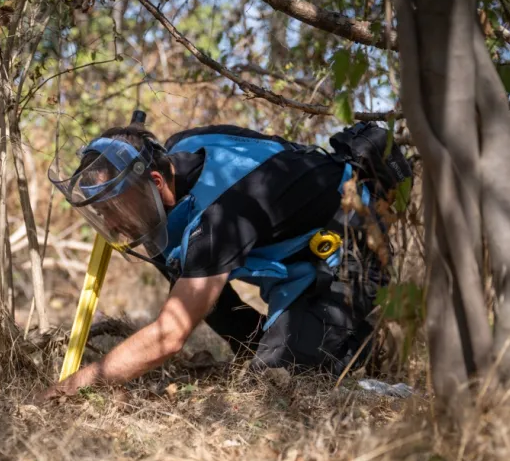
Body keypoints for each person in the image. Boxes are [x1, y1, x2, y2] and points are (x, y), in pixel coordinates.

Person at [44, 117, 411, 398]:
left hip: (352, 247)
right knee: (186, 276)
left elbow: (168, 337)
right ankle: (302, 344)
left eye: (120, 208)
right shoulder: (182, 149)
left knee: (274, 385)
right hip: (300, 250)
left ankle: (355, 364)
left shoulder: (221, 214)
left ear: (156, 182)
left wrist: (75, 385)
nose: (115, 223)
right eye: (105, 213)